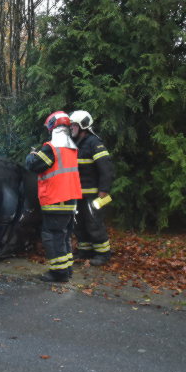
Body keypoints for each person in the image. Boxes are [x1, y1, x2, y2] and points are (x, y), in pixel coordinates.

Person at [25, 111, 82, 283]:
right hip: (70, 200)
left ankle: (58, 273)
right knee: (64, 236)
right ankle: (67, 269)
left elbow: (34, 165)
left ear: (53, 126)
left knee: (52, 236)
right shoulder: (71, 148)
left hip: (56, 199)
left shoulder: (51, 147)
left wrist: (31, 155)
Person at [69, 110, 115, 265]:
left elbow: (106, 168)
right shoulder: (76, 144)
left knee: (93, 223)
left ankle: (103, 254)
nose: (71, 128)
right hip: (78, 194)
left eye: (74, 125)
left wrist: (104, 190)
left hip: (94, 195)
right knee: (79, 223)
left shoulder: (95, 143)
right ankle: (85, 251)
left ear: (83, 126)